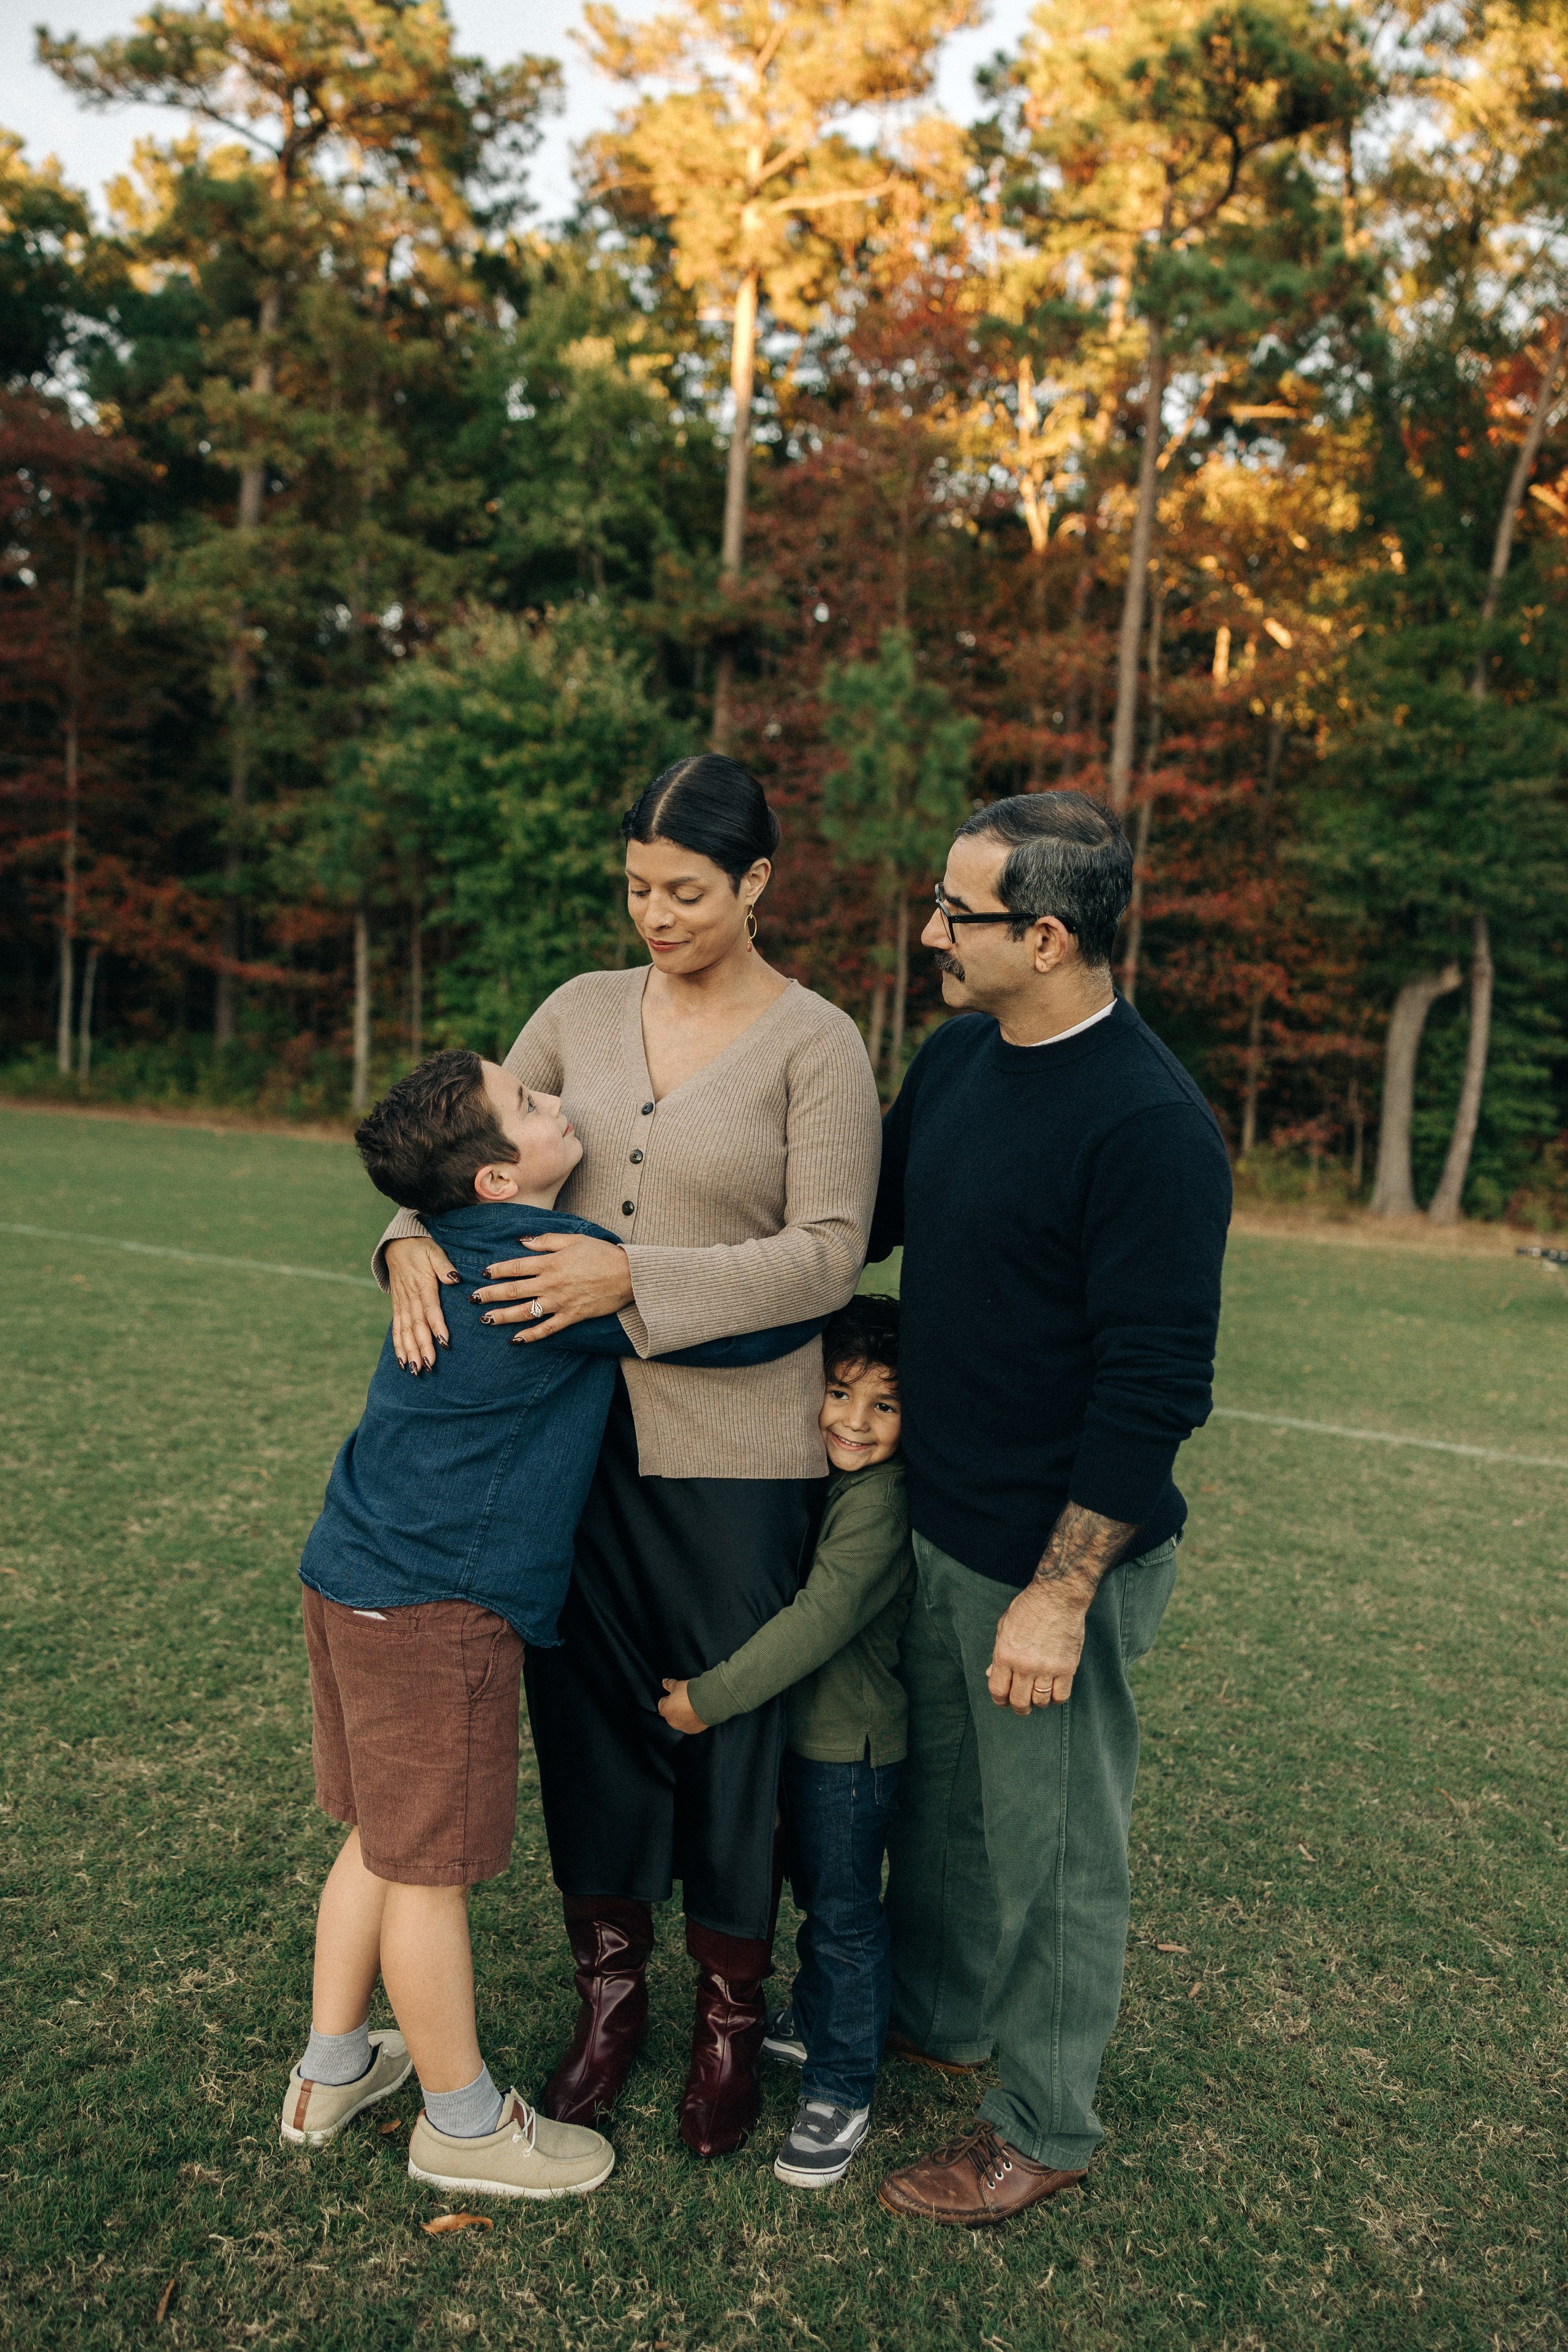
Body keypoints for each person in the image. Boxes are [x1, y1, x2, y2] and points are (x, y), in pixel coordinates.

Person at [375, 754, 883, 2158]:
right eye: (635, 890)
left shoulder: (815, 1043)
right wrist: (401, 1237)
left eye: (685, 893)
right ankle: (612, 1999)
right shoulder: (578, 1011)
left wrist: (630, 1281)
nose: (653, 917)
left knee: (722, 1725)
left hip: (742, 1453)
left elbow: (832, 1250)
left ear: (757, 884)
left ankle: (728, 2013)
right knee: (588, 1720)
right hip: (568, 1446)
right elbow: (454, 1152)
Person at [283, 1049, 820, 2199]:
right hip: (438, 1606)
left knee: (381, 1836)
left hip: (348, 1573)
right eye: (528, 1106)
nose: (556, 1102)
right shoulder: (547, 1266)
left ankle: (332, 2067)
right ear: (493, 1182)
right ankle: (464, 2125)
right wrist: (795, 1280)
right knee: (427, 1871)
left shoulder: (458, 1243)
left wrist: (401, 1232)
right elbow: (735, 1333)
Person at [867, 790, 1231, 2227]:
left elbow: (1155, 1388)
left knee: (1059, 1843)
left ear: (1046, 934)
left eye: (955, 915)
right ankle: (938, 2017)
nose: (929, 934)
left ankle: (1042, 2122)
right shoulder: (958, 1060)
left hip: (1054, 1552)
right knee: (946, 1810)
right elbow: (866, 1222)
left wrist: (1061, 1590)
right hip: (939, 1519)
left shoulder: (1148, 1124)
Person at [657, 1294, 914, 2190]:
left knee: (843, 1918)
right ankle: (812, 2021)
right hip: (803, 1745)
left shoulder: (880, 1503)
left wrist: (709, 1699)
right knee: (815, 1899)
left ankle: (842, 2090)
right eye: (839, 1392)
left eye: (884, 1405)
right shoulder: (829, 1478)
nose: (852, 1420)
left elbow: (820, 1619)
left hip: (852, 1753)